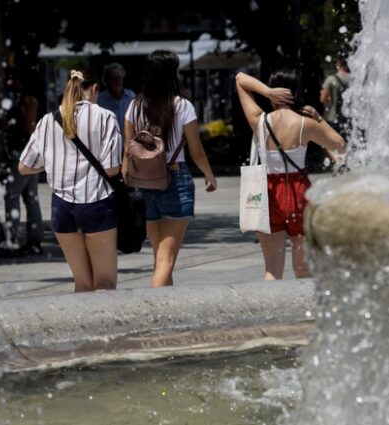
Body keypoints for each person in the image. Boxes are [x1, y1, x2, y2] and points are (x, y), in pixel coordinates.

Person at [235, 69, 346, 280]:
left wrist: (267, 92)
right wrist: (319, 117)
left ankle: (267, 309)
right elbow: (339, 145)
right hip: (298, 191)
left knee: (272, 270)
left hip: (267, 193)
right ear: (296, 94)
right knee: (304, 270)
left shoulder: (259, 120)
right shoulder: (306, 123)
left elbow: (240, 79)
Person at [18, 70, 122, 292]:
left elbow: (24, 166)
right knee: (104, 283)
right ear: (93, 89)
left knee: (82, 283)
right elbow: (112, 169)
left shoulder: (47, 120)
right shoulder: (105, 116)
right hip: (96, 201)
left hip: (62, 206)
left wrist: (55, 162)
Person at [123, 50, 218, 288]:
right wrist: (210, 175)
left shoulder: (134, 105)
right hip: (175, 180)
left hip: (144, 183)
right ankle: (151, 308)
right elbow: (196, 151)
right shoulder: (182, 105)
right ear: (171, 75)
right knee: (166, 259)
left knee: (161, 258)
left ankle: (166, 311)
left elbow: (127, 151)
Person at [3, 68, 45, 256]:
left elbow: (29, 127)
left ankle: (12, 239)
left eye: (13, 78)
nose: (10, 82)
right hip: (30, 154)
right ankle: (34, 239)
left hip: (22, 154)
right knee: (31, 198)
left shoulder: (28, 101)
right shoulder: (23, 100)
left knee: (12, 195)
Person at [97, 62, 136, 133]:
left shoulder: (131, 96)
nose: (117, 82)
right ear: (107, 81)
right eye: (112, 79)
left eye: (119, 78)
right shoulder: (100, 100)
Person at [320, 57, 350, 137]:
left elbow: (323, 99)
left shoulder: (331, 79)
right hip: (349, 118)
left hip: (333, 117)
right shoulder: (354, 79)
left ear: (338, 64)